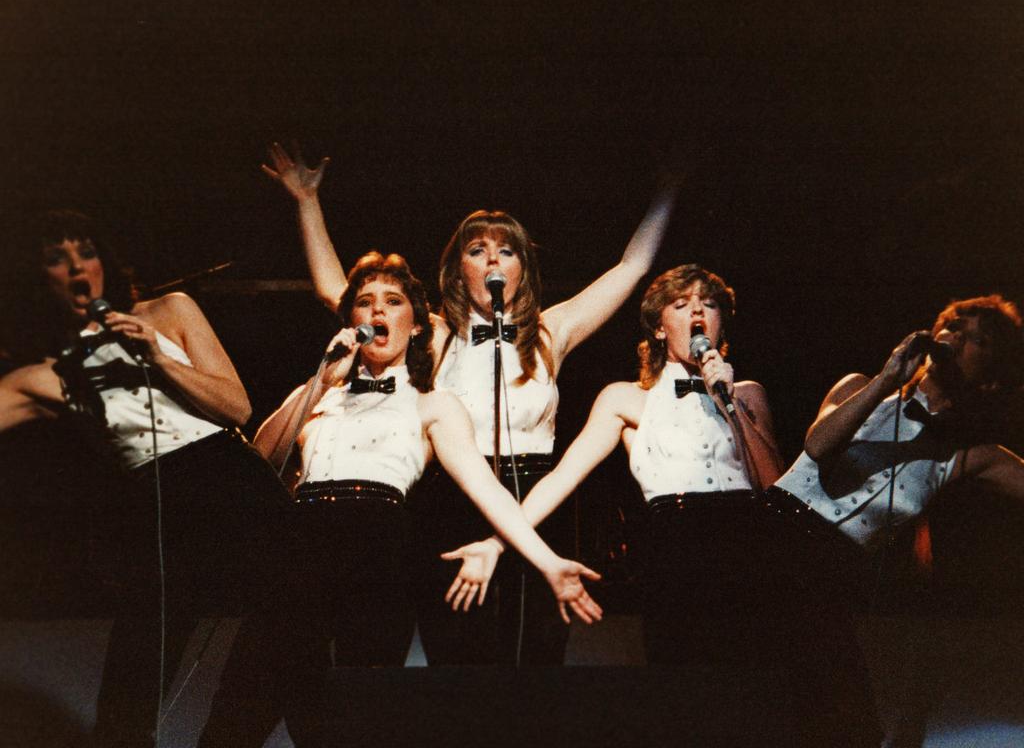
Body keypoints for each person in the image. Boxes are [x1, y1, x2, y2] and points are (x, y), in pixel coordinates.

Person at [260, 142, 677, 664]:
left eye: (506, 250)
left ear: (522, 267)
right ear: (459, 270)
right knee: (458, 650)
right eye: (477, 250)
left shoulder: (553, 330)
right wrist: (306, 202)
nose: (493, 259)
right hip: (454, 497)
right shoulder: (434, 335)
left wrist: (668, 189)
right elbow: (338, 293)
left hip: (537, 496)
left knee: (536, 648)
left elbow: (631, 266)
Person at [198, 252, 602, 747]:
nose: (377, 312)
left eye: (392, 302)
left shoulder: (432, 402)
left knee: (356, 711)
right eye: (364, 303)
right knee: (240, 701)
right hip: (301, 542)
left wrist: (547, 562)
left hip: (376, 545)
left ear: (416, 326)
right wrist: (320, 382)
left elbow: (485, 486)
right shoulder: (321, 392)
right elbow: (263, 460)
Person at [0, 210, 291, 748]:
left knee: (289, 626)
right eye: (56, 259)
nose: (77, 267)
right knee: (141, 656)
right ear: (40, 278)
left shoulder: (169, 310)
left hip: (230, 477)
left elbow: (237, 405)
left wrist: (158, 356)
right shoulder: (47, 373)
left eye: (84, 251)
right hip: (156, 499)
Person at [445, 264, 786, 672]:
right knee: (683, 673)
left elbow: (775, 485)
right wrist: (499, 542)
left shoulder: (748, 393)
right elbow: (564, 476)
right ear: (659, 328)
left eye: (708, 305)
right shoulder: (626, 399)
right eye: (681, 304)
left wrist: (730, 404)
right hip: (674, 545)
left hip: (743, 541)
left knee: (751, 674)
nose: (697, 312)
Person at [763, 294, 1024, 747]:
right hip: (772, 542)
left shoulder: (962, 458)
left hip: (833, 577)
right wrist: (887, 380)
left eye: (976, 340)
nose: (957, 340)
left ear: (992, 380)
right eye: (955, 328)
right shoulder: (861, 388)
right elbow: (820, 446)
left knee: (848, 725)